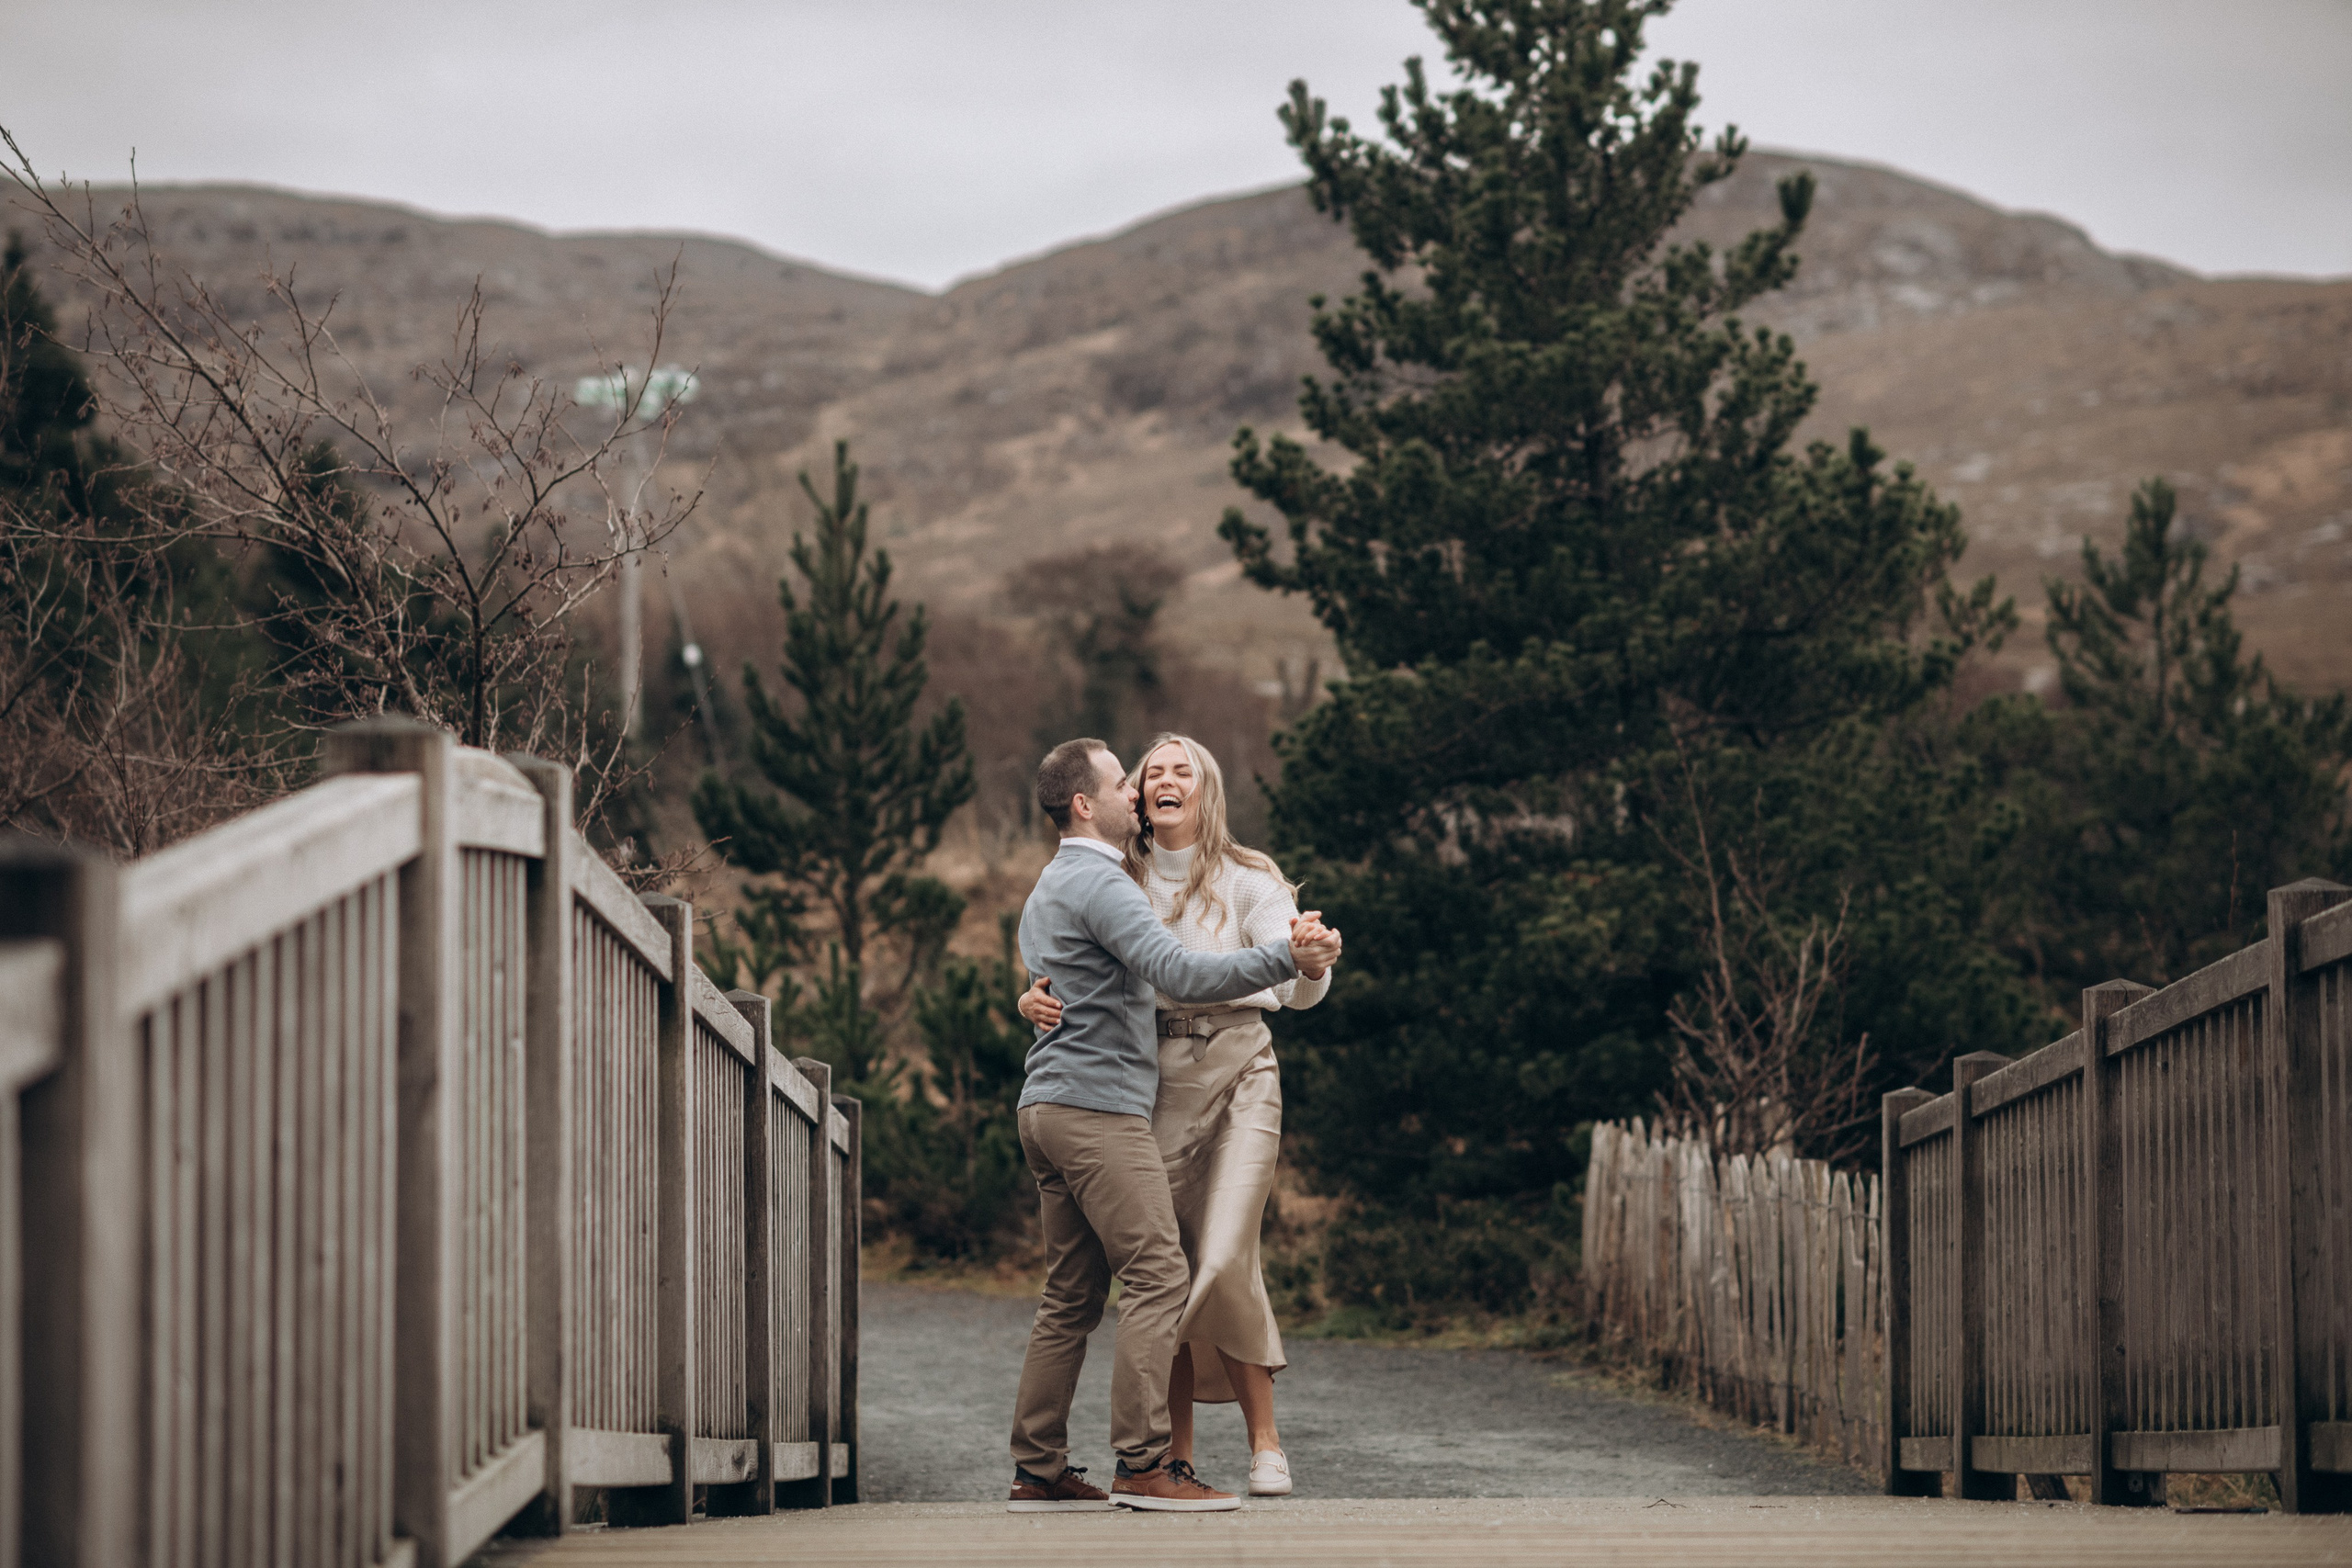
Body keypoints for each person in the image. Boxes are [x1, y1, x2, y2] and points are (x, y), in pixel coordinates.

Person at [1007, 737, 1340, 1515]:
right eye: (1128, 778)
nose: (1141, 788)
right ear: (1088, 802)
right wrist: (1282, 957)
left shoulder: (1051, 882)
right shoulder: (1110, 881)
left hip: (1049, 1103)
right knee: (1161, 1274)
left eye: (1163, 772)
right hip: (1102, 1107)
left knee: (1071, 1293)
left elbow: (1060, 974)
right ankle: (1146, 1463)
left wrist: (1035, 1000)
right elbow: (1183, 974)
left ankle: (1038, 1467)